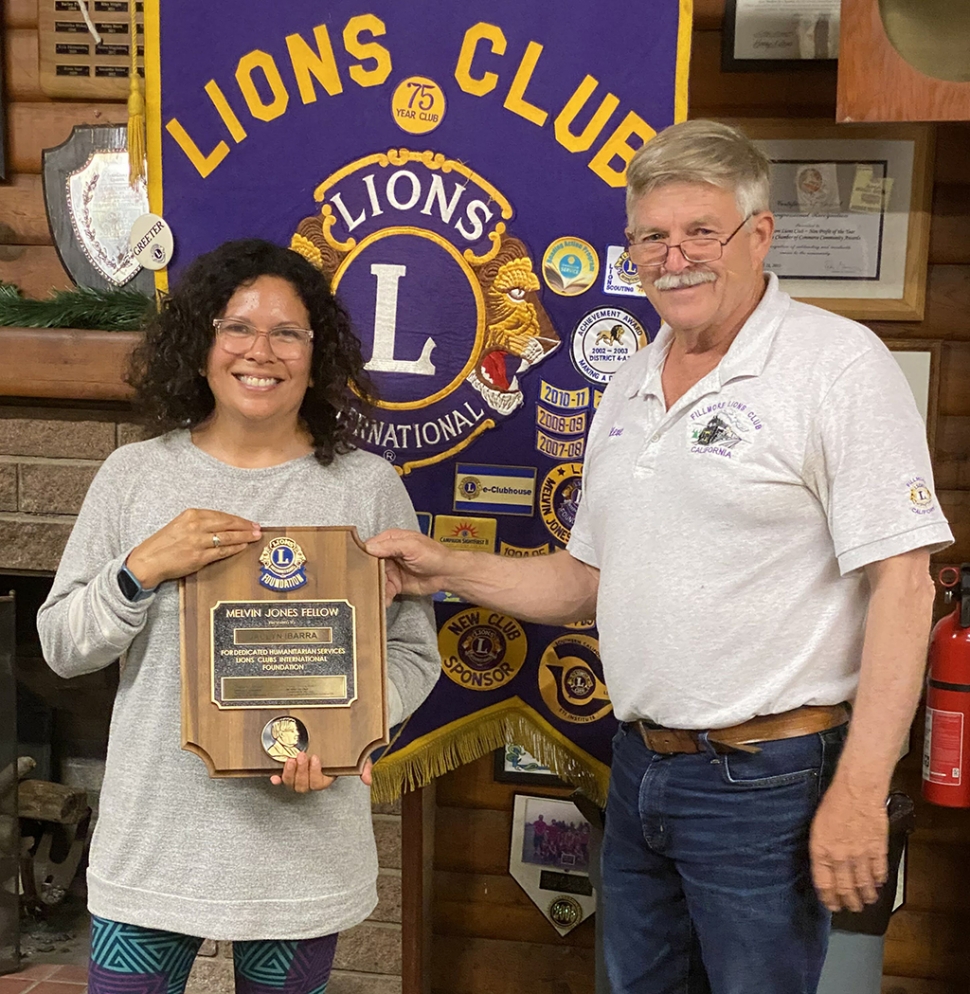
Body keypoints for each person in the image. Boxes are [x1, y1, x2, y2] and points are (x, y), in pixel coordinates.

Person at [366, 121, 954, 993]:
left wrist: (864, 789)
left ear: (759, 235)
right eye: (652, 236)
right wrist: (443, 567)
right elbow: (584, 585)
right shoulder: (629, 381)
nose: (674, 256)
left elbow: (905, 583)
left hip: (771, 782)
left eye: (700, 233)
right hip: (639, 768)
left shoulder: (836, 367)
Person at [37, 239, 439, 994]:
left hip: (303, 839)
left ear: (317, 354)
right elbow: (62, 645)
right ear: (200, 344)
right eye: (237, 327)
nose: (263, 351)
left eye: (288, 332)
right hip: (156, 840)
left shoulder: (367, 486)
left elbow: (415, 653)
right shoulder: (135, 476)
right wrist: (141, 569)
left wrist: (345, 733)